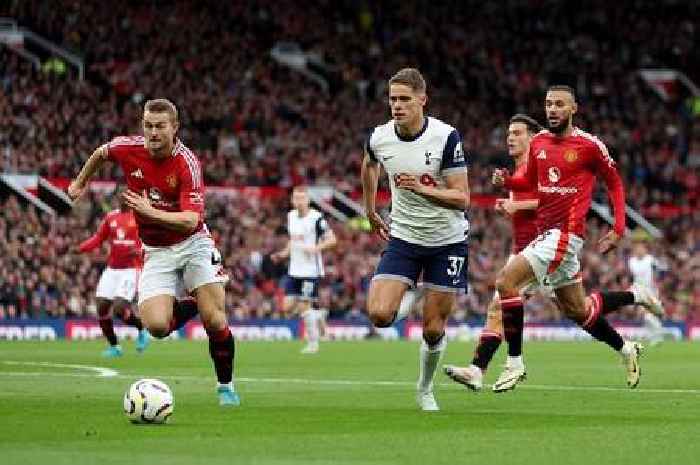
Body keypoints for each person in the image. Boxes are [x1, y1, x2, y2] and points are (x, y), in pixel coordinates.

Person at [445, 114, 663, 392]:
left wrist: (518, 206)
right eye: (508, 133)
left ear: (533, 137)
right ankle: (629, 327)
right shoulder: (522, 168)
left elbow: (554, 197)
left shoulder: (548, 159)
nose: (510, 138)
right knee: (578, 310)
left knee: (504, 295)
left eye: (517, 133)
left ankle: (500, 365)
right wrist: (509, 184)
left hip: (547, 245)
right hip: (531, 247)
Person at [67, 98, 240, 406]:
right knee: (156, 327)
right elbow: (101, 153)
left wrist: (149, 211)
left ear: (175, 128)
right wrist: (80, 183)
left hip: (193, 244)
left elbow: (191, 219)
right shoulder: (128, 148)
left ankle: (225, 386)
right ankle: (192, 302)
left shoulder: (187, 163)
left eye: (160, 126)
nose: (153, 132)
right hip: (157, 250)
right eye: (148, 125)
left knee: (214, 321)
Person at [361, 68, 470, 411]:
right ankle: (413, 294)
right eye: (393, 99)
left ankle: (424, 389)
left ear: (422, 100)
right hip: (405, 237)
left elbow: (462, 197)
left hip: (447, 241)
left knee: (433, 329)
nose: (397, 105)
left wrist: (422, 188)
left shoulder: (445, 137)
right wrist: (369, 209)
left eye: (405, 99)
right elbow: (369, 165)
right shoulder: (380, 137)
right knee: (379, 314)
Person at [78, 192, 149, 357]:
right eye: (121, 196)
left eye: (127, 197)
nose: (123, 199)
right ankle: (115, 347)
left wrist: (138, 252)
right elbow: (98, 238)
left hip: (131, 270)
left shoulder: (140, 218)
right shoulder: (111, 217)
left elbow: (150, 243)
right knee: (102, 306)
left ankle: (142, 329)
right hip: (112, 269)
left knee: (119, 308)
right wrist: (81, 248)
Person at [271, 186, 337, 354]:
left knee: (303, 307)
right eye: (296, 198)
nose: (299, 202)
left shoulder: (316, 218)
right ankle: (319, 315)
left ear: (308, 200)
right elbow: (293, 241)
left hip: (311, 270)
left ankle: (313, 344)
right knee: (286, 308)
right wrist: (282, 254)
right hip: (294, 270)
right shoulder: (291, 216)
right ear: (292, 200)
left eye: (302, 198)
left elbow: (332, 240)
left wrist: (316, 248)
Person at [628, 240, 668, 344]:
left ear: (645, 250)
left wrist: (658, 280)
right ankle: (656, 335)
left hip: (651, 291)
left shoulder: (650, 260)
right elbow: (631, 277)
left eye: (641, 248)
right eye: (637, 249)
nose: (639, 250)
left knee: (649, 314)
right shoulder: (631, 261)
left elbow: (662, 271)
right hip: (638, 290)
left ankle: (656, 336)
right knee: (645, 314)